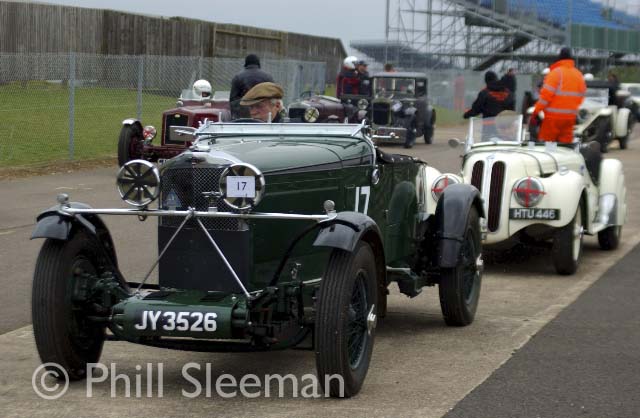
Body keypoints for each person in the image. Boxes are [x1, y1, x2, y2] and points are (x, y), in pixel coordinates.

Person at [532, 47, 586, 143]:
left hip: (552, 119)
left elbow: (545, 97)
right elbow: (581, 97)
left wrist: (536, 111)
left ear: (559, 59)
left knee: (547, 147)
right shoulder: (579, 75)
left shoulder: (555, 74)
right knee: (565, 147)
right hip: (569, 118)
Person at [230, 54, 274, 119]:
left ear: (246, 64)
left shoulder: (238, 77)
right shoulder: (268, 77)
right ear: (258, 63)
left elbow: (233, 100)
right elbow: (273, 97)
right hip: (264, 116)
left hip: (243, 116)